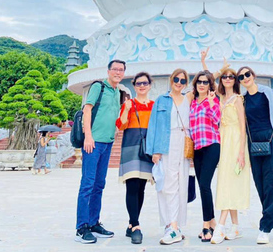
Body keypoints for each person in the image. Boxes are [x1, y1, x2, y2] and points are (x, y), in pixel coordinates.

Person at [236, 66, 273, 244]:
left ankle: (265, 228)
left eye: (247, 74)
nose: (245, 78)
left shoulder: (266, 92)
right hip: (254, 146)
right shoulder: (243, 99)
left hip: (272, 142)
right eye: (241, 77)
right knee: (261, 186)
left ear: (253, 75)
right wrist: (242, 152)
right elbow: (243, 127)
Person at [200, 50, 250, 244]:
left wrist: (241, 153)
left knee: (229, 182)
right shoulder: (218, 96)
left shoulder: (238, 99)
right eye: (225, 77)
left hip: (235, 141)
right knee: (227, 181)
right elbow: (208, 79)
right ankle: (235, 227)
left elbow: (242, 126)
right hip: (221, 141)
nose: (228, 79)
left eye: (231, 76)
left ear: (235, 80)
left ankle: (220, 226)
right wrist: (204, 62)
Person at [75, 60, 125, 244]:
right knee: (87, 184)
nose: (118, 72)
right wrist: (88, 136)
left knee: (99, 184)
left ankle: (94, 222)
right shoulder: (99, 87)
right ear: (109, 71)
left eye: (121, 70)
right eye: (115, 69)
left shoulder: (118, 92)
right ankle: (81, 227)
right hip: (93, 143)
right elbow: (87, 110)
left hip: (107, 143)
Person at [146, 69, 192, 245]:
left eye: (182, 80)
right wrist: (154, 150)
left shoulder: (188, 99)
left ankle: (176, 225)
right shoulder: (162, 100)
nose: (179, 83)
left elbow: (208, 81)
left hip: (184, 142)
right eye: (176, 79)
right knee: (167, 184)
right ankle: (170, 225)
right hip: (167, 143)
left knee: (181, 185)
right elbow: (154, 125)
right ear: (171, 80)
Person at [115, 72, 154, 244]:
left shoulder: (154, 105)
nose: (142, 86)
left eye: (145, 83)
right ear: (134, 85)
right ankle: (136, 225)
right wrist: (127, 109)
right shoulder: (129, 103)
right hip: (131, 146)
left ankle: (131, 224)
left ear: (150, 85)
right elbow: (122, 124)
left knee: (141, 188)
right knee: (131, 186)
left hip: (146, 149)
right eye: (138, 83)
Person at [189, 70, 221, 242]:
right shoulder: (192, 102)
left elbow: (216, 119)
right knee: (203, 187)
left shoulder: (213, 100)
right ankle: (213, 222)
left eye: (205, 82)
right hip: (197, 148)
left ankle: (206, 226)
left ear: (210, 85)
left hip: (211, 145)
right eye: (199, 82)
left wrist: (209, 103)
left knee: (204, 184)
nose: (202, 84)